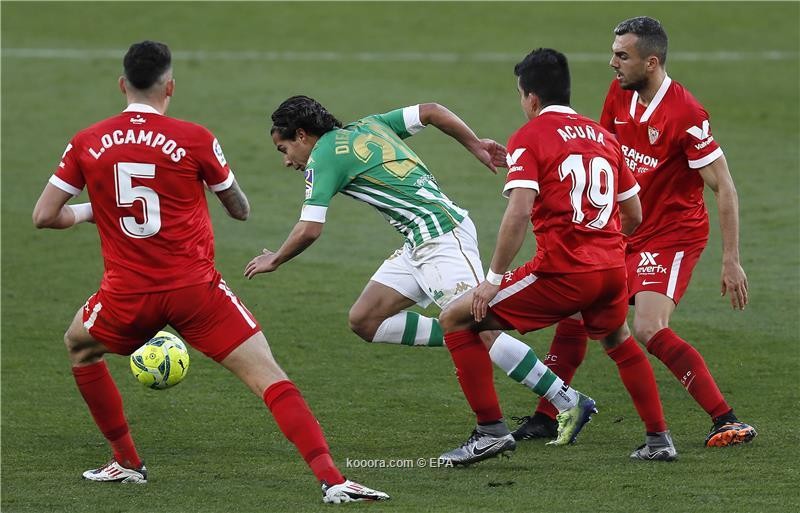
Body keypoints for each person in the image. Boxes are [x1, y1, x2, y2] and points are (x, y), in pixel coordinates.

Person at [32, 40, 388, 504]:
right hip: (196, 291)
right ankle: (333, 480)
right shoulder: (195, 137)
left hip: (127, 295)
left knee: (80, 347)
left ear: (122, 84)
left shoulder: (87, 141)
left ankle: (126, 462)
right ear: (170, 87)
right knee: (269, 377)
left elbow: (45, 216)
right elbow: (239, 209)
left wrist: (92, 212)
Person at [245, 96, 600, 463]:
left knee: (483, 329)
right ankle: (462, 338)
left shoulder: (322, 158)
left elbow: (309, 229)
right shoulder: (370, 124)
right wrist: (474, 143)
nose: (287, 160)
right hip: (418, 241)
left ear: (302, 135)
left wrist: (276, 258)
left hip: (441, 238)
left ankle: (568, 401)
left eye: (284, 148)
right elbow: (430, 110)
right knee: (365, 320)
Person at [522, 17, 757, 448]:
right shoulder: (619, 93)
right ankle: (546, 416)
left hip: (672, 235)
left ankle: (725, 418)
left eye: (621, 55)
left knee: (648, 327)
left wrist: (731, 260)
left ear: (651, 63)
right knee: (576, 309)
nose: (612, 62)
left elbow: (724, 185)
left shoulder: (685, 114)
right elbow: (599, 150)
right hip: (625, 229)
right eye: (613, 52)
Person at [438, 47, 679, 462]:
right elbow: (634, 213)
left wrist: (492, 279)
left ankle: (489, 431)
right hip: (610, 268)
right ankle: (659, 439)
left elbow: (518, 211)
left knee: (457, 318)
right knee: (619, 340)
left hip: (564, 271)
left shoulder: (529, 136)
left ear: (531, 98)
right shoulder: (603, 137)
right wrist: (605, 245)